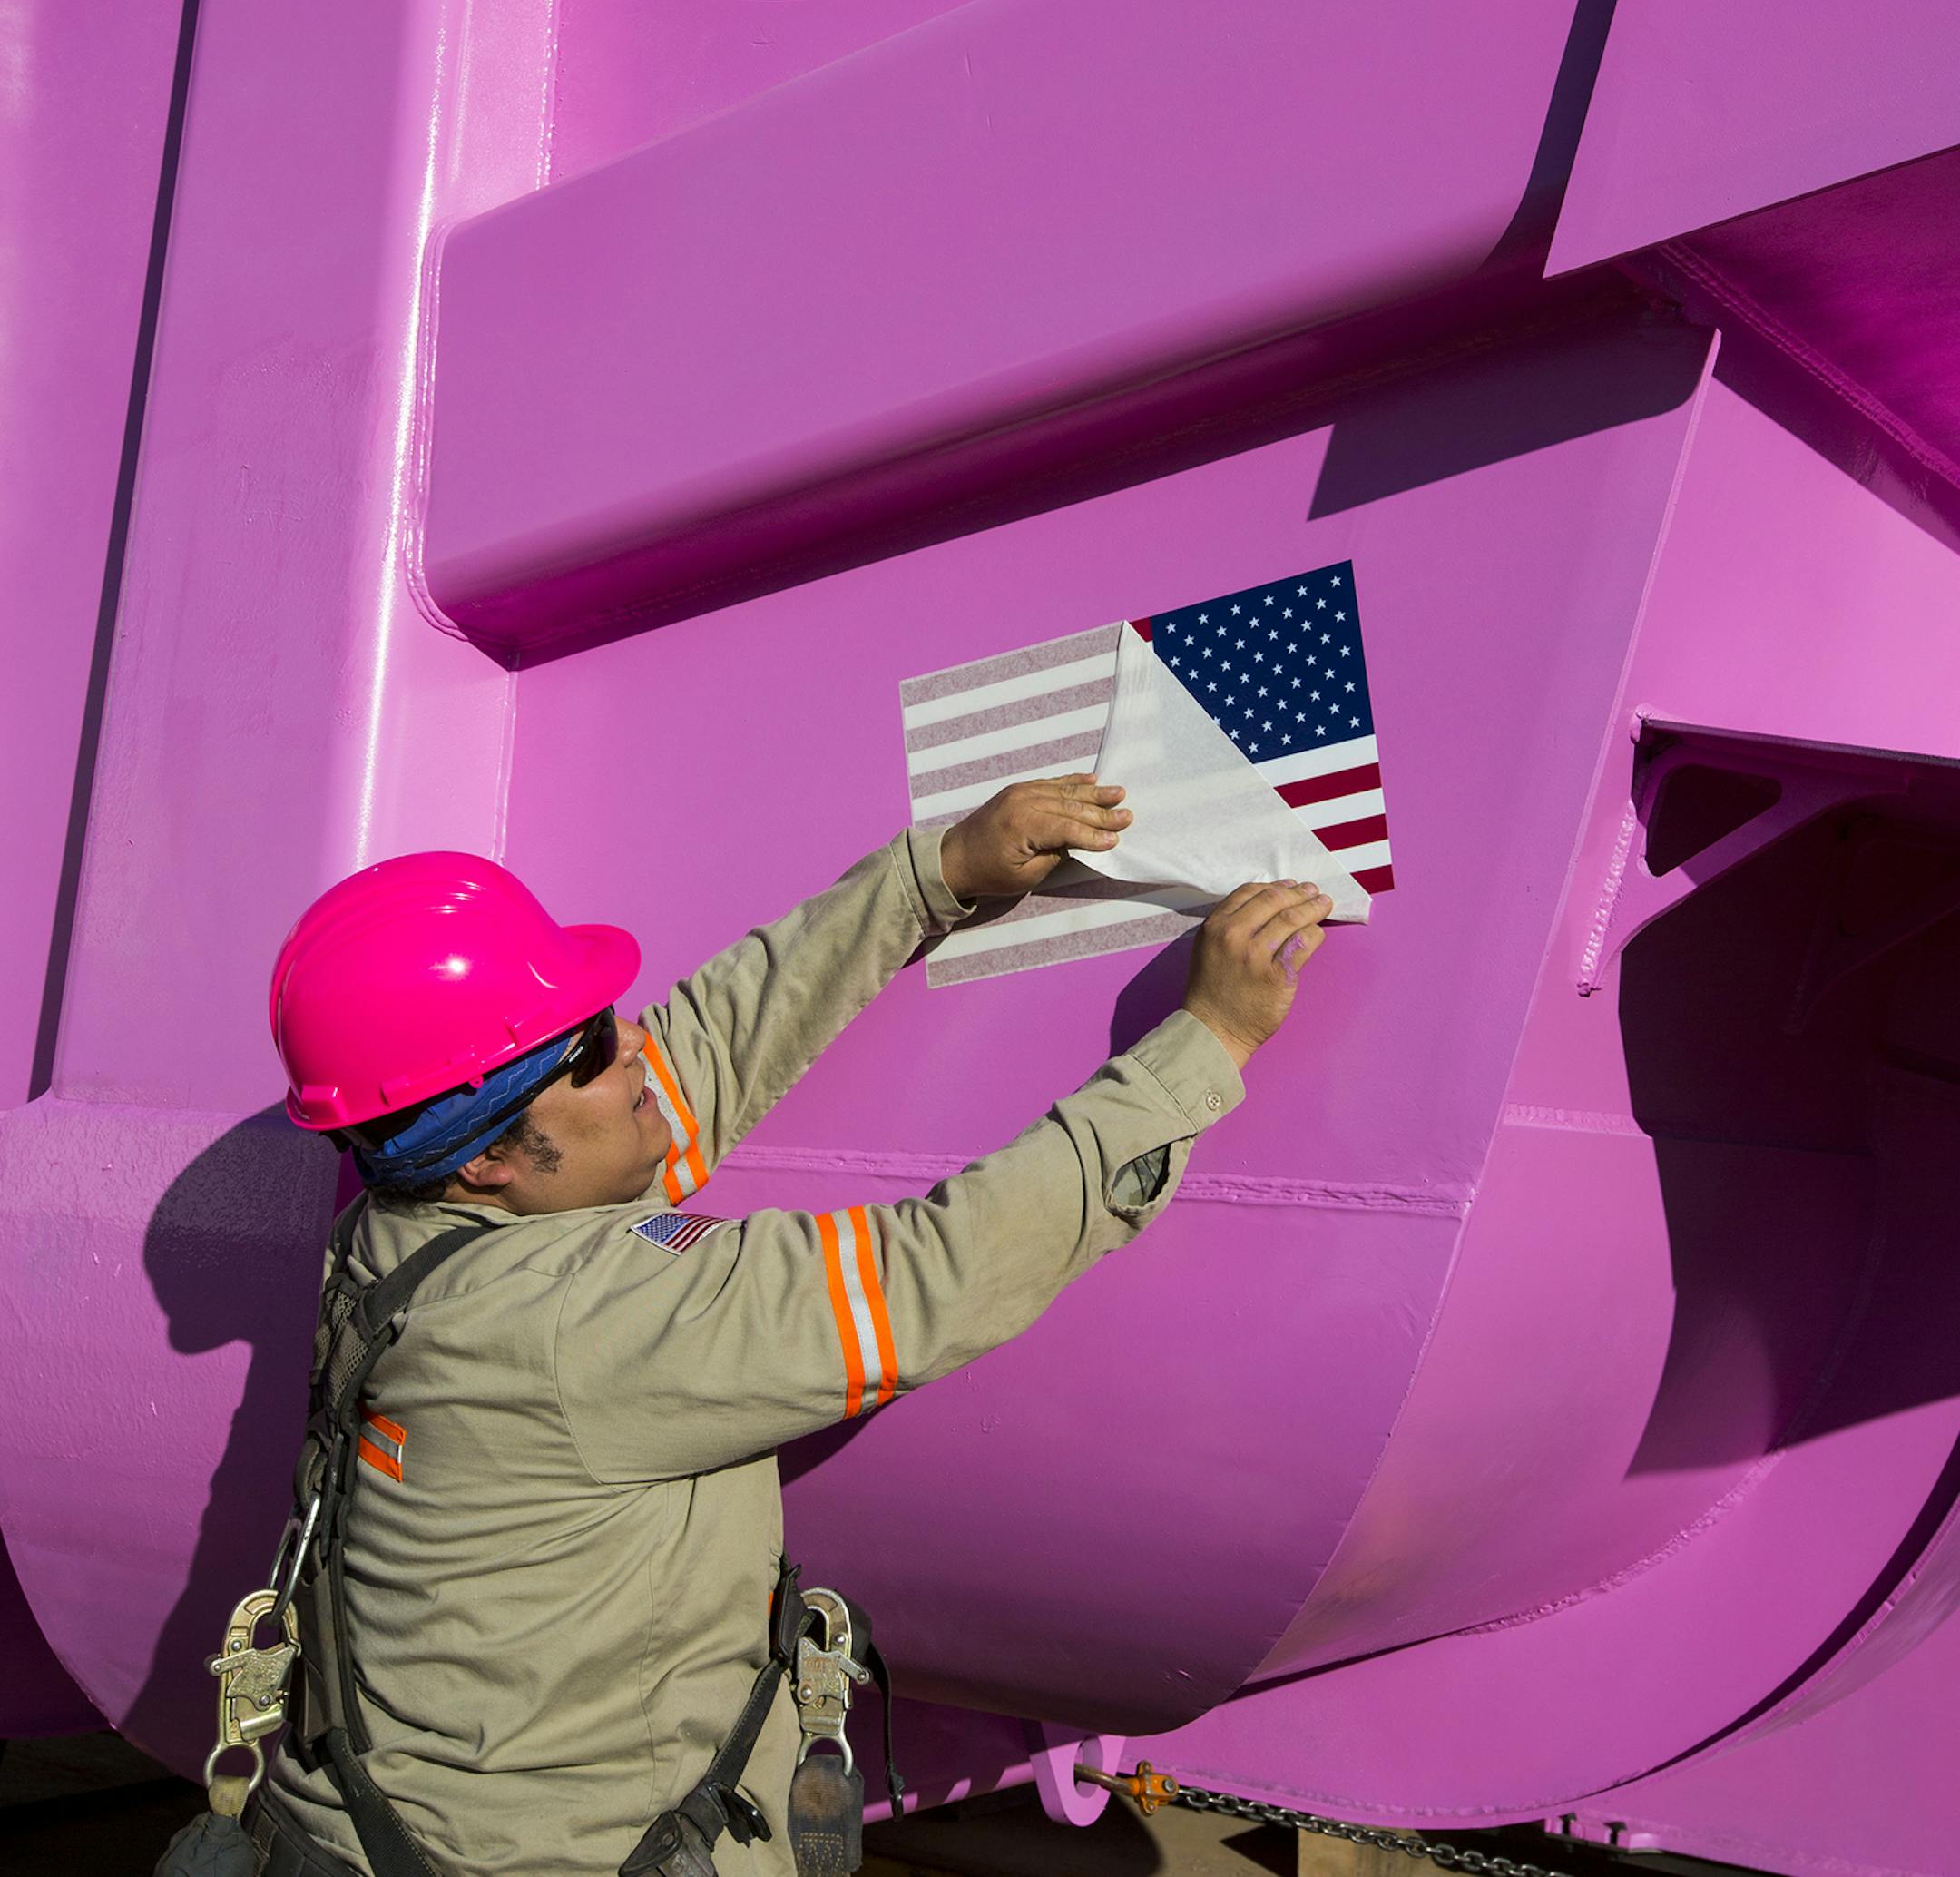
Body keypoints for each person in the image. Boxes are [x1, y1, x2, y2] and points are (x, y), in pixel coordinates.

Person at [256, 775, 1335, 1877]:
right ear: (485, 1153)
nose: (630, 1041)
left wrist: (938, 873)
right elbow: (938, 1271)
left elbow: (697, 1056)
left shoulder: (401, 1222)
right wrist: (1203, 1046)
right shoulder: (588, 1318)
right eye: (585, 1049)